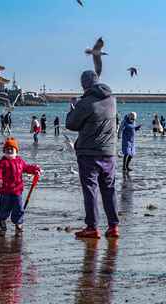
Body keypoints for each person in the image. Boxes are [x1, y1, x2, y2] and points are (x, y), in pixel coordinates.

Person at [66, 70, 119, 239]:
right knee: (109, 189)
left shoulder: (85, 102)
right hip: (109, 153)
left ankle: (92, 227)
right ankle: (113, 227)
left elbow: (71, 124)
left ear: (84, 84)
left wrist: (72, 109)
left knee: (90, 190)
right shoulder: (112, 100)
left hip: (89, 153)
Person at [0, 137, 41, 233]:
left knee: (18, 208)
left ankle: (18, 222)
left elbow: (27, 168)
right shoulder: (2, 162)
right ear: (4, 151)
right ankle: (2, 219)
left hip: (17, 191)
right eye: (7, 149)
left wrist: (34, 169)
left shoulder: (20, 161)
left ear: (16, 151)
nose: (9, 151)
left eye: (12, 149)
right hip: (6, 191)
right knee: (4, 207)